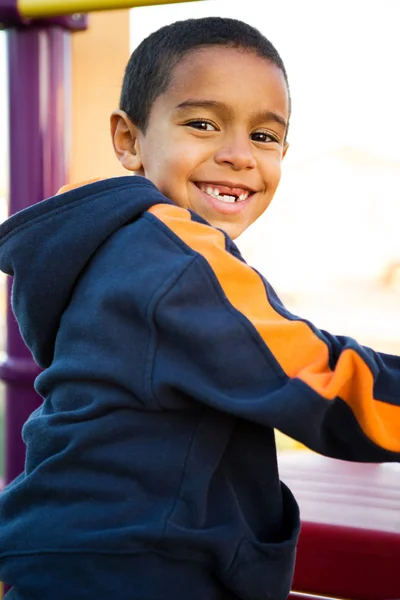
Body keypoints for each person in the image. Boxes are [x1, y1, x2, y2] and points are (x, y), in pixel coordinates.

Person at [0, 16, 398, 600]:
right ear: (129, 139)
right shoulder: (173, 259)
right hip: (136, 567)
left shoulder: (105, 243)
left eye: (264, 137)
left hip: (71, 549)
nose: (238, 155)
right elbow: (316, 379)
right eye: (203, 124)